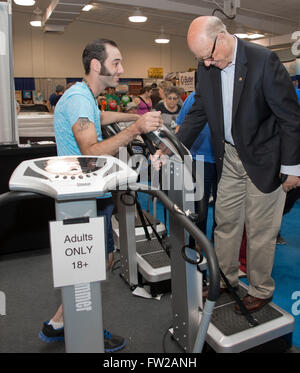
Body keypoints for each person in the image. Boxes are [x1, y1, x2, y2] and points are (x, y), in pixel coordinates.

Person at [39, 38, 163, 351]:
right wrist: (135, 130)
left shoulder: (85, 97)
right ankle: (83, 327)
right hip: (80, 197)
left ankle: (59, 322)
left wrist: (130, 118)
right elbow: (91, 149)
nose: (122, 70)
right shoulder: (80, 99)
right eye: (116, 63)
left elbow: (98, 118)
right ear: (97, 65)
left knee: (101, 258)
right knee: (90, 263)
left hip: (89, 193)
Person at [174, 16, 300, 313]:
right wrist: (174, 148)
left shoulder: (263, 61)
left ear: (223, 36)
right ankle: (225, 279)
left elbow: (291, 118)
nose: (206, 63)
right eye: (200, 58)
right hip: (230, 156)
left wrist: (293, 167)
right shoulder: (206, 68)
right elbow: (199, 112)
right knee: (225, 222)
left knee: (260, 230)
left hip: (266, 158)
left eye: (209, 56)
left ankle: (260, 289)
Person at [175, 91, 217, 240]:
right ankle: (198, 240)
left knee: (223, 204)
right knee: (199, 202)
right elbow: (181, 127)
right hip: (198, 157)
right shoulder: (194, 97)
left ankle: (219, 239)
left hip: (224, 159)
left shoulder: (229, 93)